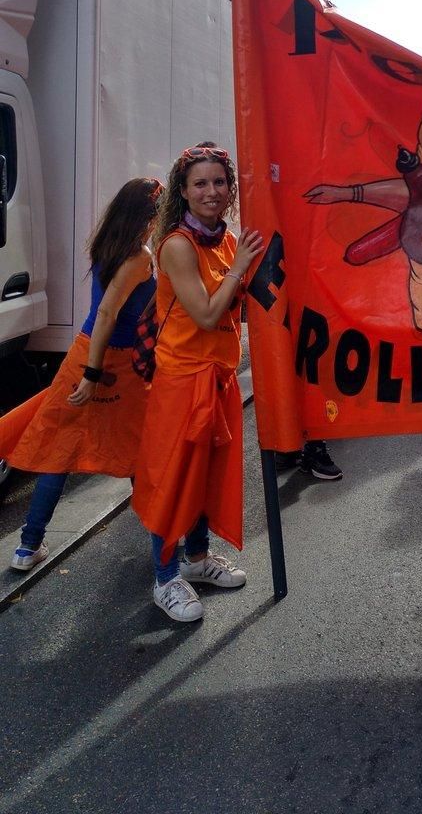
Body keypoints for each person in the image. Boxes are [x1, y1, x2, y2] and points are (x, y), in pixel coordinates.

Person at [1, 178, 163, 571]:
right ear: (148, 214)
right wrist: (92, 373)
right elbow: (108, 312)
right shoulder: (139, 255)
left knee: (61, 450)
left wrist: (87, 368)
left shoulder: (107, 244)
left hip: (83, 352)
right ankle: (162, 545)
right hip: (114, 363)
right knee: (140, 450)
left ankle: (27, 547)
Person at [131, 144, 263, 624]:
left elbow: (240, 304)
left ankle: (197, 559)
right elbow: (208, 314)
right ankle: (165, 579)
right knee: (173, 480)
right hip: (182, 381)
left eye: (219, 182)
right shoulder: (178, 245)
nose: (211, 191)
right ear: (183, 192)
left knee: (206, 477)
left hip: (219, 377)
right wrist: (240, 267)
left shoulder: (227, 240)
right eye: (200, 184)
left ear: (230, 190)